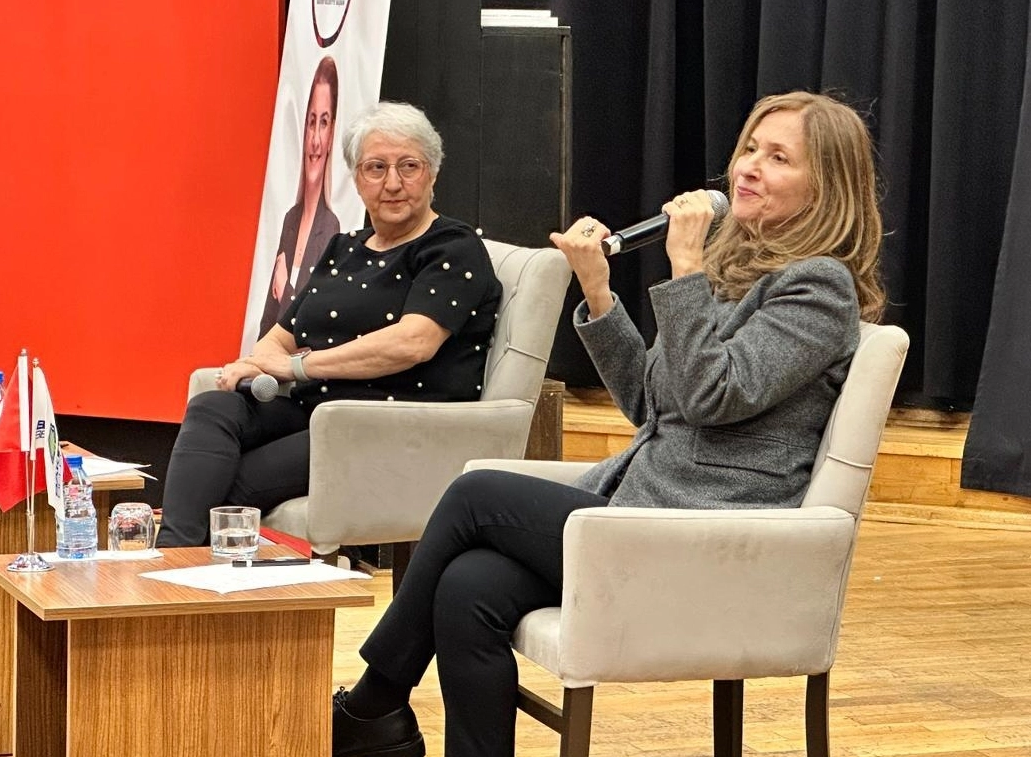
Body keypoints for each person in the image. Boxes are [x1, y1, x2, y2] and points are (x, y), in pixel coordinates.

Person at [331, 91, 887, 757]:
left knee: (476, 493)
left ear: (825, 187)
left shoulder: (818, 288)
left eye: (777, 158)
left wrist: (686, 270)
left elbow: (714, 395)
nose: (748, 167)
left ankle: (373, 704)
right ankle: (386, 726)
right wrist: (598, 290)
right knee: (468, 587)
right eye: (749, 149)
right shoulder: (739, 274)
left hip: (709, 540)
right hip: (645, 516)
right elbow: (652, 405)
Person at [156, 102, 503, 548]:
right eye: (376, 168)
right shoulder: (345, 247)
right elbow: (280, 337)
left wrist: (296, 368)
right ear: (356, 179)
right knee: (212, 407)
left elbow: (412, 343)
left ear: (432, 174)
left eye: (409, 166)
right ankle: (171, 559)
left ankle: (173, 565)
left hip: (383, 424)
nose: (392, 183)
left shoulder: (453, 248)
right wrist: (257, 363)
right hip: (316, 411)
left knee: (228, 484)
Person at [258, 55, 344, 338]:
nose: (315, 140)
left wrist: (285, 288)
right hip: (270, 360)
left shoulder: (331, 229)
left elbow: (313, 325)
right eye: (311, 122)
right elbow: (267, 321)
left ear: (332, 135)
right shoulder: (290, 220)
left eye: (324, 123)